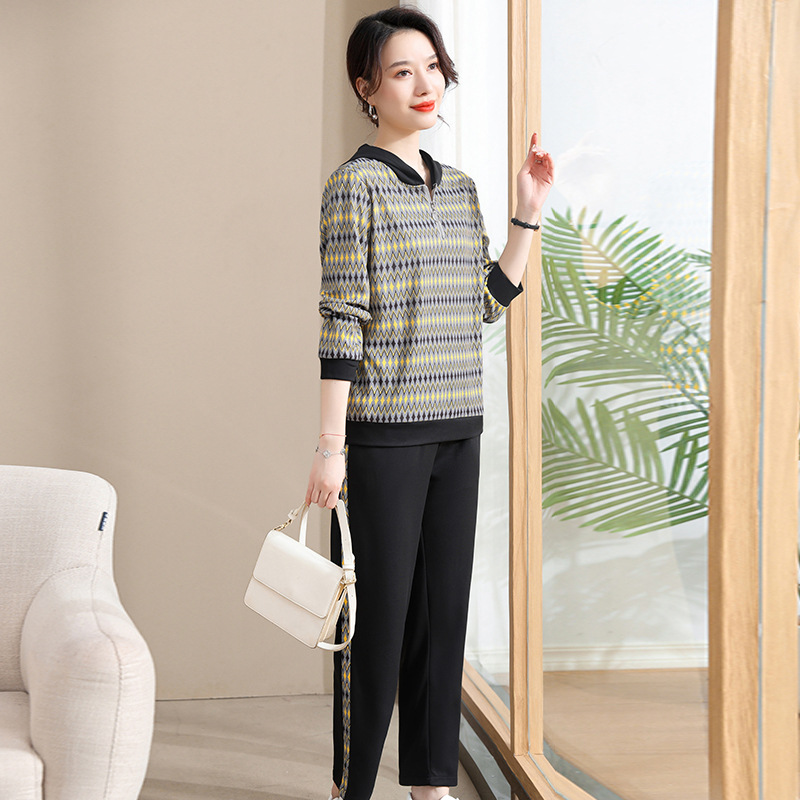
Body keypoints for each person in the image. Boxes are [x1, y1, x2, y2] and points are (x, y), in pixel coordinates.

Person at [305, 7, 554, 800]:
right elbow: (341, 320)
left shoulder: (463, 188)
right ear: (366, 88)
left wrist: (527, 212)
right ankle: (352, 788)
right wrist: (330, 448)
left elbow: (484, 300)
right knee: (377, 623)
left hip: (458, 429)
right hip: (382, 437)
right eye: (402, 71)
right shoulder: (353, 187)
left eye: (433, 67)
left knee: (443, 618)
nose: (424, 83)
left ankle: (431, 785)